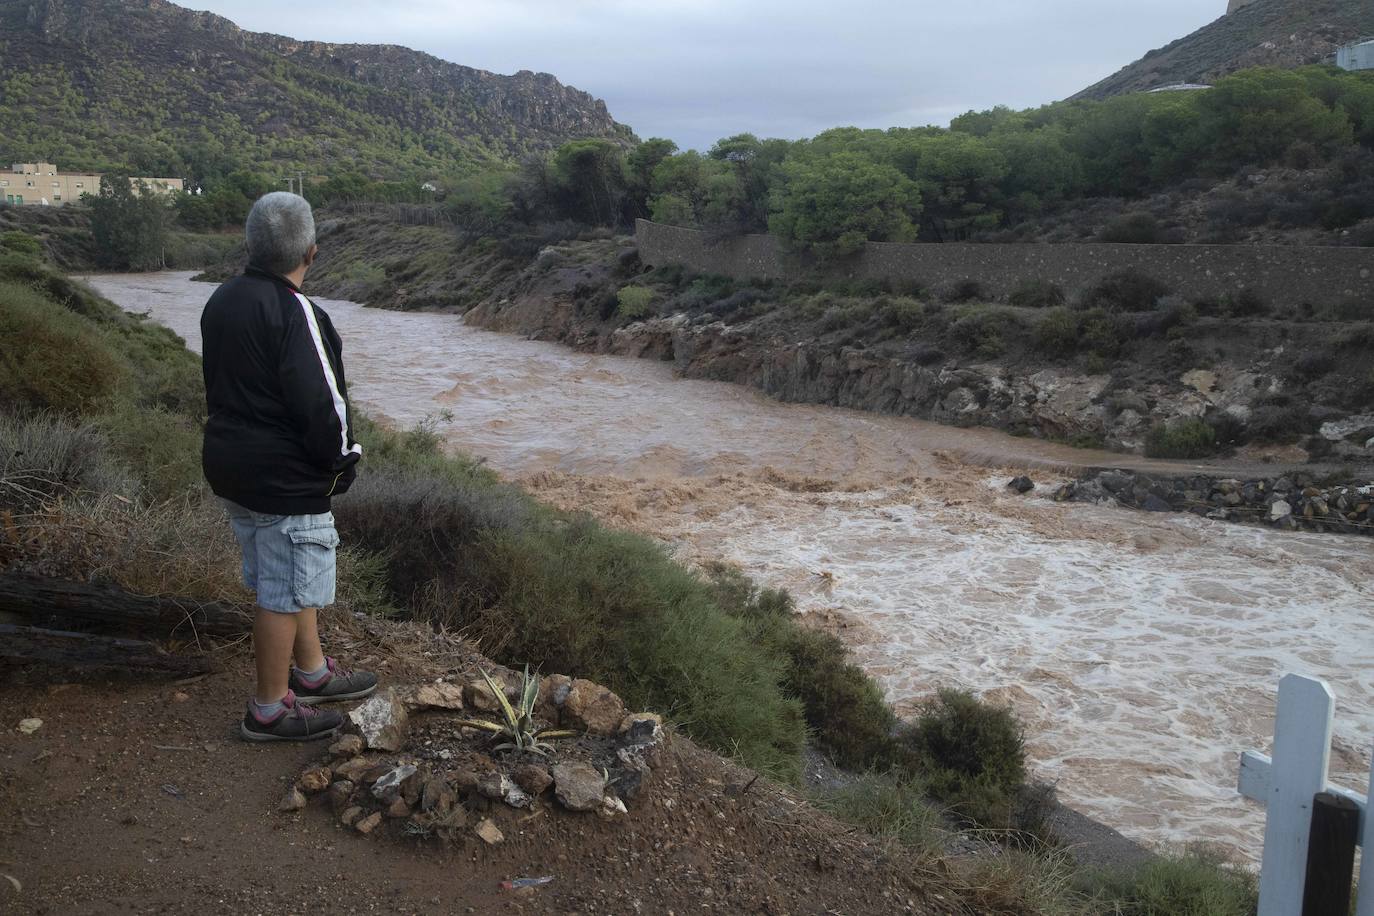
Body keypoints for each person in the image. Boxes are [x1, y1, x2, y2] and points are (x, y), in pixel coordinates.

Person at [200, 191, 377, 742]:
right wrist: (343, 460)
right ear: (312, 252)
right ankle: (270, 709)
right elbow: (324, 403)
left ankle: (313, 673)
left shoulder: (222, 298)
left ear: (249, 245)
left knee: (286, 577)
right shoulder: (298, 311)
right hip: (282, 477)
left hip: (232, 466)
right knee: (283, 591)